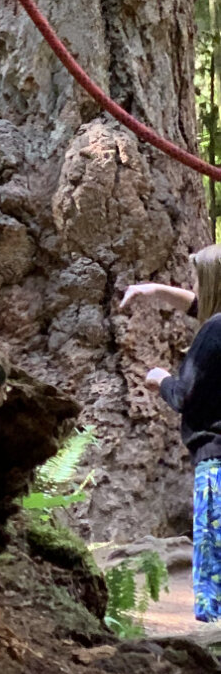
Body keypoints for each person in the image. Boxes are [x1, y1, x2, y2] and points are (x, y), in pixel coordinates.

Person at [121, 245, 221, 624]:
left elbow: (186, 397)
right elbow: (203, 303)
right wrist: (152, 291)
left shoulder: (214, 332)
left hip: (216, 465)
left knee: (212, 576)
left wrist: (160, 379)